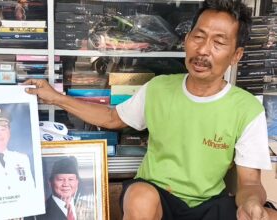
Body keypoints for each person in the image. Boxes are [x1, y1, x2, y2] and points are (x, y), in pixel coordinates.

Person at [24, 0, 277, 219]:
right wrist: (55, 97)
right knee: (140, 198)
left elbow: (250, 182)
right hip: (157, 196)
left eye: (218, 43)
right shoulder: (158, 88)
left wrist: (252, 203)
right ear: (187, 40)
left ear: (236, 55)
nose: (203, 50)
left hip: (207, 204)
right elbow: (112, 118)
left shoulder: (246, 108)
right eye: (198, 37)